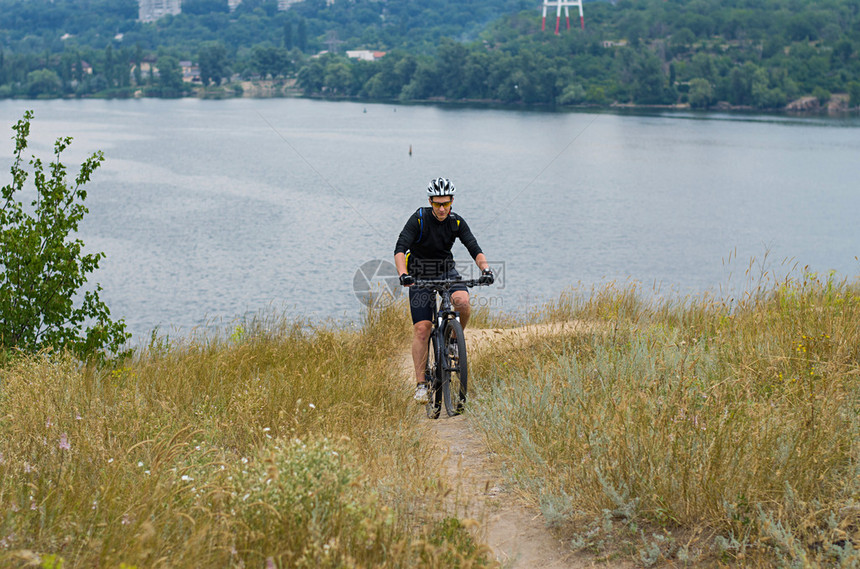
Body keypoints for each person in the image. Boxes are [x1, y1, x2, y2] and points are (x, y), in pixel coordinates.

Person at [394, 177, 494, 403]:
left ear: (452, 202)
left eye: (446, 204)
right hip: (418, 275)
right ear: (430, 201)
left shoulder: (456, 222)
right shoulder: (419, 219)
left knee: (462, 302)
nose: (441, 209)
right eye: (437, 204)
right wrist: (403, 274)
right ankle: (421, 384)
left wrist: (486, 269)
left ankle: (452, 341)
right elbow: (400, 248)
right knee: (422, 328)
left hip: (446, 271)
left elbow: (474, 247)